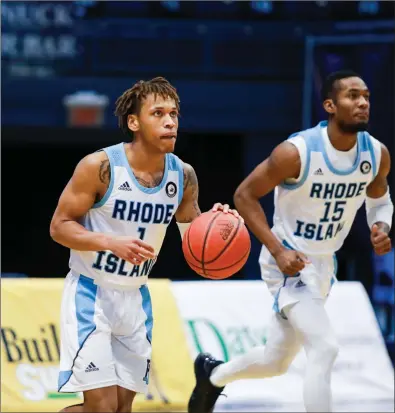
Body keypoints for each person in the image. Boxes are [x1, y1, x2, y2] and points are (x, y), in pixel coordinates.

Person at [187, 70, 393, 413]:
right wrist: (278, 249)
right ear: (330, 105)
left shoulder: (375, 154)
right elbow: (245, 195)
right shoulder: (296, 152)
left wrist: (381, 225)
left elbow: (379, 199)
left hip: (324, 264)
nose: (362, 103)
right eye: (352, 96)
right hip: (287, 262)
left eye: (366, 97)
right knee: (324, 348)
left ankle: (212, 376)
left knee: (276, 360)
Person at [50, 76, 239, 413]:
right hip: (90, 294)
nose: (170, 121)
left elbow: (194, 238)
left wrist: (218, 224)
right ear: (134, 122)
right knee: (102, 408)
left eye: (174, 113)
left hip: (136, 296)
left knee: (121, 409)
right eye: (158, 113)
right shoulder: (100, 167)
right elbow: (59, 227)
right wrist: (109, 242)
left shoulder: (183, 176)